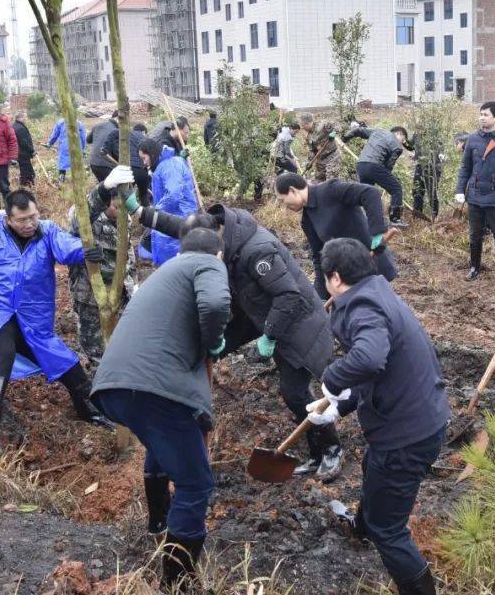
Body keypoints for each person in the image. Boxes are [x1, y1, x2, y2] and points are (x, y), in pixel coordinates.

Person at [135, 202, 344, 480]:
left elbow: (288, 296)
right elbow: (182, 228)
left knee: (293, 392)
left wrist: (269, 334)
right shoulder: (219, 233)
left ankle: (331, 450)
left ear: (216, 237)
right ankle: (317, 452)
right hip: (261, 315)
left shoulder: (257, 251)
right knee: (221, 353)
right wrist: (140, 212)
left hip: (297, 326)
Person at [309, 238, 450, 595]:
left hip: (408, 433)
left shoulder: (364, 305)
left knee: (391, 528)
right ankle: (362, 526)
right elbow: (379, 370)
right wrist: (339, 406)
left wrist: (333, 379)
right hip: (416, 415)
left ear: (335, 277)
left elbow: (369, 359)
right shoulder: (375, 289)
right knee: (373, 466)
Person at [92, 228, 231, 588]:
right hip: (154, 389)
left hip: (114, 387)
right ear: (217, 253)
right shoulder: (208, 263)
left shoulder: (164, 273)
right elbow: (215, 305)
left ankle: (158, 526)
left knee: (161, 443)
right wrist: (213, 341)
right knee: (196, 484)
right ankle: (178, 581)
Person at [0, 189, 111, 454]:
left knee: (66, 363)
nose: (29, 224)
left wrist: (84, 250)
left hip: (33, 319)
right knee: (1, 356)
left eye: (33, 217)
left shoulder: (47, 232)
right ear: (8, 219)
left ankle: (92, 412)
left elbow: (65, 247)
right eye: (22, 220)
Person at [274, 172, 396, 300]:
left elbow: (370, 193)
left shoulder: (330, 190)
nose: (285, 206)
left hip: (373, 263)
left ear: (292, 190)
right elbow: (319, 257)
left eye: (283, 200)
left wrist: (376, 233)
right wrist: (321, 296)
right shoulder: (307, 220)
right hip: (351, 277)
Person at [67, 166, 138, 369]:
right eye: (114, 202)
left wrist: (133, 286)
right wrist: (104, 188)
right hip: (91, 297)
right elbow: (77, 222)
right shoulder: (86, 213)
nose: (118, 207)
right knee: (97, 352)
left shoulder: (125, 218)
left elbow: (128, 254)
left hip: (120, 295)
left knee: (123, 347)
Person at [455, 102, 495, 282]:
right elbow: (465, 167)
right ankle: (474, 267)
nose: (481, 117)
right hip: (475, 196)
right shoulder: (473, 139)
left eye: (485, 114)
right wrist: (460, 189)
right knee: (475, 234)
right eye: (480, 114)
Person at [137, 138, 198, 266]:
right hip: (176, 214)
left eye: (144, 158)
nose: (144, 162)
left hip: (178, 215)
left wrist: (155, 210)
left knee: (172, 256)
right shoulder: (167, 163)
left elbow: (174, 195)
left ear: (151, 153)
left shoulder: (168, 166)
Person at [343, 123, 411, 227]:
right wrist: (386, 175)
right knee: (396, 189)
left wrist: (345, 137)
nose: (403, 142)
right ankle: (395, 220)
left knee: (367, 193)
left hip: (361, 165)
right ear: (399, 134)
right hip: (374, 166)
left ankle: (362, 219)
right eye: (403, 139)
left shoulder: (377, 131)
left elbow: (358, 130)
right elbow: (388, 166)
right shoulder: (397, 146)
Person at [409, 132, 444, 220]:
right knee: (417, 191)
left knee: (432, 193)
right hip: (419, 167)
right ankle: (417, 217)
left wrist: (441, 156)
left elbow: (440, 150)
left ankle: (435, 218)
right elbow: (410, 146)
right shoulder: (416, 134)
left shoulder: (434, 133)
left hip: (433, 168)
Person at [299, 112, 341, 181]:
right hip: (321, 160)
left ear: (308, 123)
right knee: (319, 181)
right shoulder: (309, 136)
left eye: (303, 125)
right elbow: (312, 150)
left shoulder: (322, 125)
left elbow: (337, 125)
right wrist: (309, 162)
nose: (302, 127)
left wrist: (334, 132)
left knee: (331, 180)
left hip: (332, 157)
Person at [44, 117, 87, 184]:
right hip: (77, 147)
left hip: (65, 147)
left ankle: (61, 181)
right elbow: (83, 137)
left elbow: (55, 135)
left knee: (62, 164)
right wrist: (83, 149)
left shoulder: (61, 122)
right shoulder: (79, 123)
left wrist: (49, 143)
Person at [87, 112, 120, 183]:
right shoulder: (116, 131)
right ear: (118, 118)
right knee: (113, 189)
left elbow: (88, 140)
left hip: (93, 163)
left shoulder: (98, 125)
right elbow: (115, 152)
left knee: (103, 186)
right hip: (106, 165)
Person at [128, 122, 151, 206]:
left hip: (129, 170)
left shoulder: (126, 136)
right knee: (143, 195)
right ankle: (146, 216)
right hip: (142, 170)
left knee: (127, 195)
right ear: (143, 131)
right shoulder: (145, 138)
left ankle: (126, 217)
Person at [12, 111, 36, 188]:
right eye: (25, 117)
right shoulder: (20, 128)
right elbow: (24, 142)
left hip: (18, 153)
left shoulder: (14, 126)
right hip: (23, 153)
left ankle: (28, 186)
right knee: (27, 172)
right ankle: (25, 188)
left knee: (26, 171)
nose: (26, 119)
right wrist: (32, 150)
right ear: (20, 117)